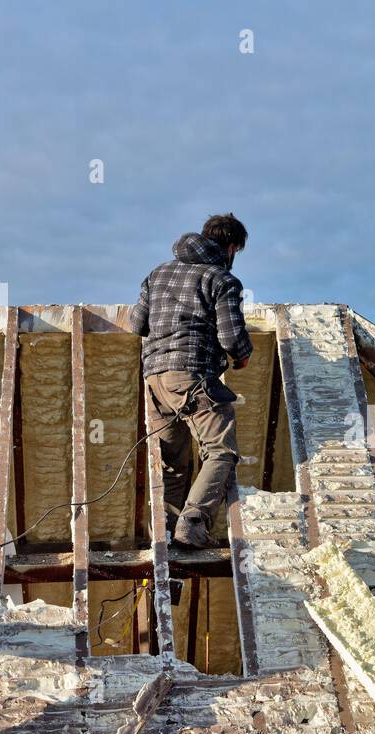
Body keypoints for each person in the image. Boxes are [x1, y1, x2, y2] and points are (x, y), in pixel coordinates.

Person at [130, 213, 254, 548]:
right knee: (221, 451)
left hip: (154, 382)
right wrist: (242, 355)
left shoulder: (157, 274)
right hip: (193, 375)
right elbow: (231, 338)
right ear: (231, 247)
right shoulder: (221, 280)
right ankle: (193, 523)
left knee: (172, 463)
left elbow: (136, 325)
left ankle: (167, 532)